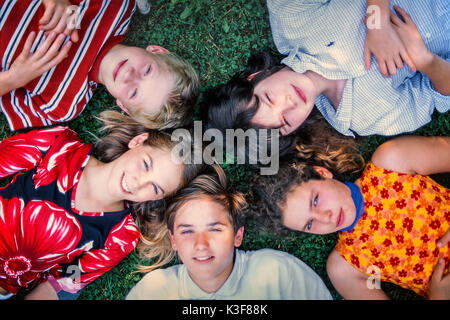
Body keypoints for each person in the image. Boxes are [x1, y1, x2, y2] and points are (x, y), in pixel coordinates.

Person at [201, 1, 449, 158]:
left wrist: (377, 22)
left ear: (255, 76)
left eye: (268, 98)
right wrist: (426, 61)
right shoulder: (364, 118)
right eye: (285, 121)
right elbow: (440, 96)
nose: (289, 104)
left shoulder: (291, 18)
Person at [0, 112, 203, 300]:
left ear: (156, 199)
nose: (138, 182)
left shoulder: (121, 237)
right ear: (138, 141)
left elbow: (61, 284)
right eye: (146, 164)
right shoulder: (61, 146)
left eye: (155, 187)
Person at [251, 135, 450, 299]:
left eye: (316, 200)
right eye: (310, 224)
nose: (325, 218)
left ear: (322, 173)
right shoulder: (344, 267)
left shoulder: (392, 161)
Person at [125, 166, 332, 300]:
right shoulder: (153, 292)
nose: (201, 244)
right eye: (187, 231)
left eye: (215, 229)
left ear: (237, 236)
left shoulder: (277, 272)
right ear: (173, 240)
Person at [0, 0, 199, 131]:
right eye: (147, 71)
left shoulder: (63, 105)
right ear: (157, 50)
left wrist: (14, 79)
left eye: (134, 93)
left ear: (124, 106)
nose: (130, 76)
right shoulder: (115, 6)